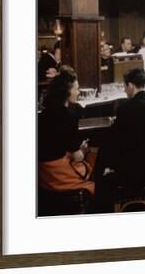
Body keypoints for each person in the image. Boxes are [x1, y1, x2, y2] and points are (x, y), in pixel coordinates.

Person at [95, 68, 145, 211]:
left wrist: (100, 168)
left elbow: (114, 142)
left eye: (125, 87)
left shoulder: (126, 108)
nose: (125, 91)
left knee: (102, 177)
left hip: (135, 173)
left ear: (131, 86)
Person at [38, 66, 97, 198]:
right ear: (67, 92)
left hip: (42, 175)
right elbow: (77, 157)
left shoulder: (41, 115)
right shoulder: (69, 117)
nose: (78, 92)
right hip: (59, 175)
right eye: (76, 89)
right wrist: (84, 150)